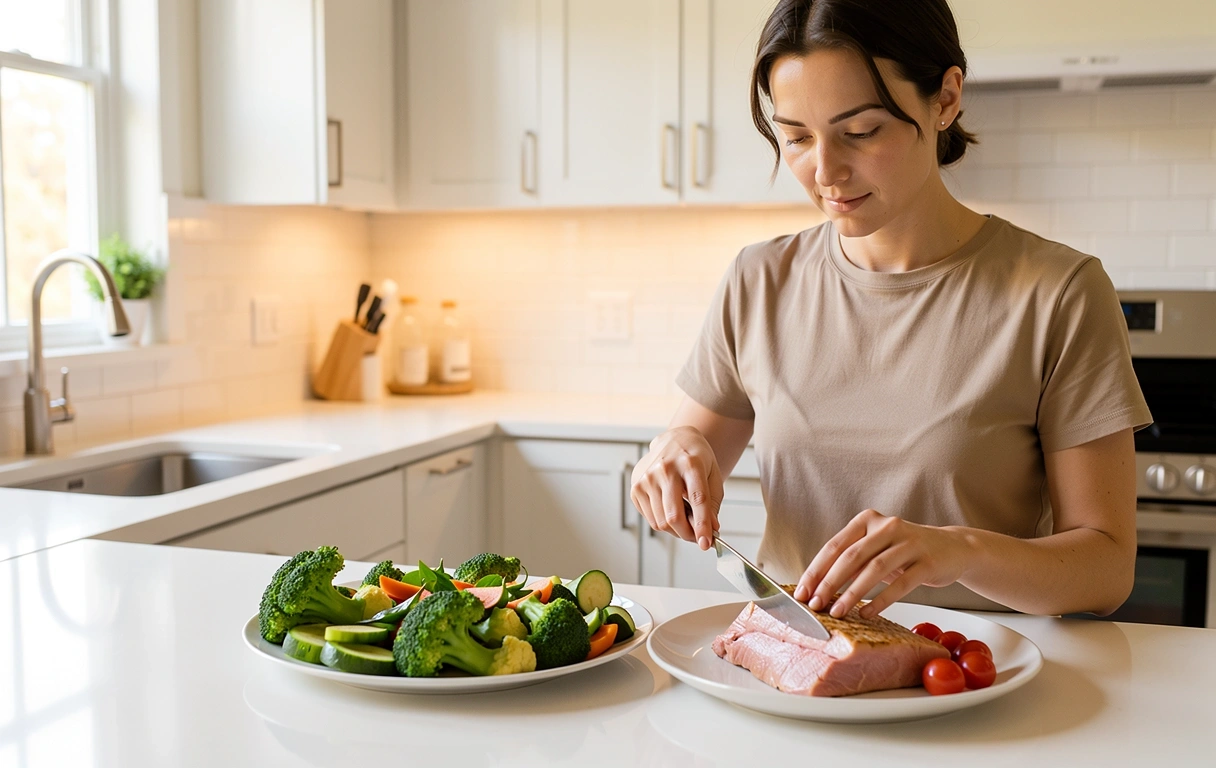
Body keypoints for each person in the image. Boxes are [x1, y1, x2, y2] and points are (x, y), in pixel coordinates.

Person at [630, 0, 1151, 621]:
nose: (824, 172)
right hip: (791, 666)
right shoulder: (758, 279)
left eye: (861, 131)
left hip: (967, 678)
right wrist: (671, 452)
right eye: (796, 137)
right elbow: (694, 451)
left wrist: (958, 551)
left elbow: (1106, 568)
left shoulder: (1059, 293)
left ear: (946, 98)